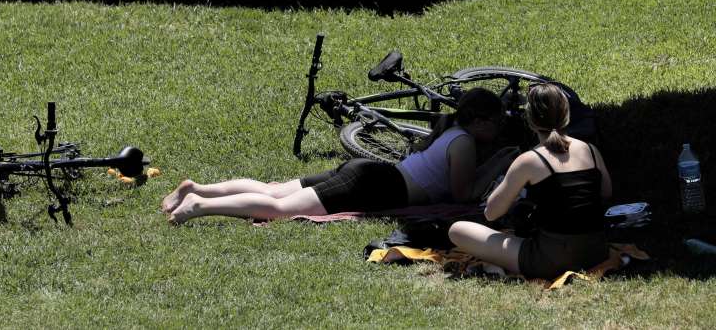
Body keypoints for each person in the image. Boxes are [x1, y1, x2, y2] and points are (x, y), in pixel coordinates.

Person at [162, 88, 514, 224]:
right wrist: (499, 164)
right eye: (496, 122)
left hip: (373, 174)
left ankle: (198, 188)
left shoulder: (450, 131)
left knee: (275, 190)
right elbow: (461, 195)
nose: (499, 129)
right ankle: (199, 205)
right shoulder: (464, 143)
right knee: (281, 208)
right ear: (479, 121)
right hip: (379, 184)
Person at [448, 82, 613, 279]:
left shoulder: (529, 160)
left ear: (530, 120)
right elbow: (606, 193)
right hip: (597, 251)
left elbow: (491, 213)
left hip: (550, 259)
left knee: (457, 230)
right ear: (566, 115)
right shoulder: (590, 150)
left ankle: (495, 266)